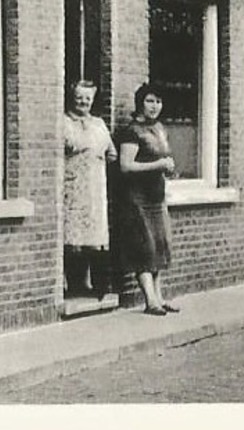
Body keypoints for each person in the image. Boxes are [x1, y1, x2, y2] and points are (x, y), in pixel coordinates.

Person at [113, 83, 177, 316]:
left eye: (158, 101)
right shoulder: (133, 131)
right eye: (150, 101)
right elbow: (125, 165)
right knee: (144, 247)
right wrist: (158, 165)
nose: (154, 106)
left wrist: (168, 169)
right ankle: (150, 300)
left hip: (157, 195)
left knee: (160, 246)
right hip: (137, 198)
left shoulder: (159, 128)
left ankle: (159, 297)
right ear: (141, 102)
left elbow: (163, 157)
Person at [60, 80, 117, 298]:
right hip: (73, 186)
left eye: (88, 98)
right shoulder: (64, 122)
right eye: (79, 96)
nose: (83, 101)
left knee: (96, 234)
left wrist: (101, 158)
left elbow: (111, 152)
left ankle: (100, 286)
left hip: (95, 185)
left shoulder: (99, 124)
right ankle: (76, 285)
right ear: (72, 97)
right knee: (74, 234)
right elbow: (65, 147)